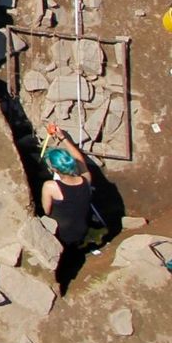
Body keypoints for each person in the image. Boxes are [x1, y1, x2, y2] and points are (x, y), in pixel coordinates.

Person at [39, 125, 100, 291]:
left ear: (54, 170)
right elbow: (79, 159)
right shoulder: (86, 180)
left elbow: (46, 211)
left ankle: (63, 271)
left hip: (62, 233)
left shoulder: (50, 187)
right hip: (82, 228)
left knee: (63, 255)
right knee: (73, 250)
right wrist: (63, 138)